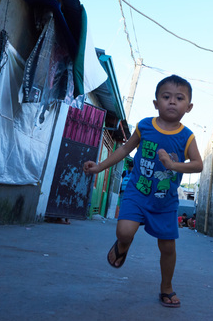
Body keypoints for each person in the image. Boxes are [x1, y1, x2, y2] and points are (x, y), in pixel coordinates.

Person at [83, 75, 204, 308]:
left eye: (179, 98)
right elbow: (124, 149)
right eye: (166, 96)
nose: (172, 102)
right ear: (155, 102)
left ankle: (166, 287)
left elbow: (198, 164)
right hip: (137, 193)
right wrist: (99, 167)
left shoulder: (187, 136)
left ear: (188, 107)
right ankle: (123, 245)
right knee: (124, 232)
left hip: (165, 202)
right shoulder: (145, 126)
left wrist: (173, 165)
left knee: (167, 247)